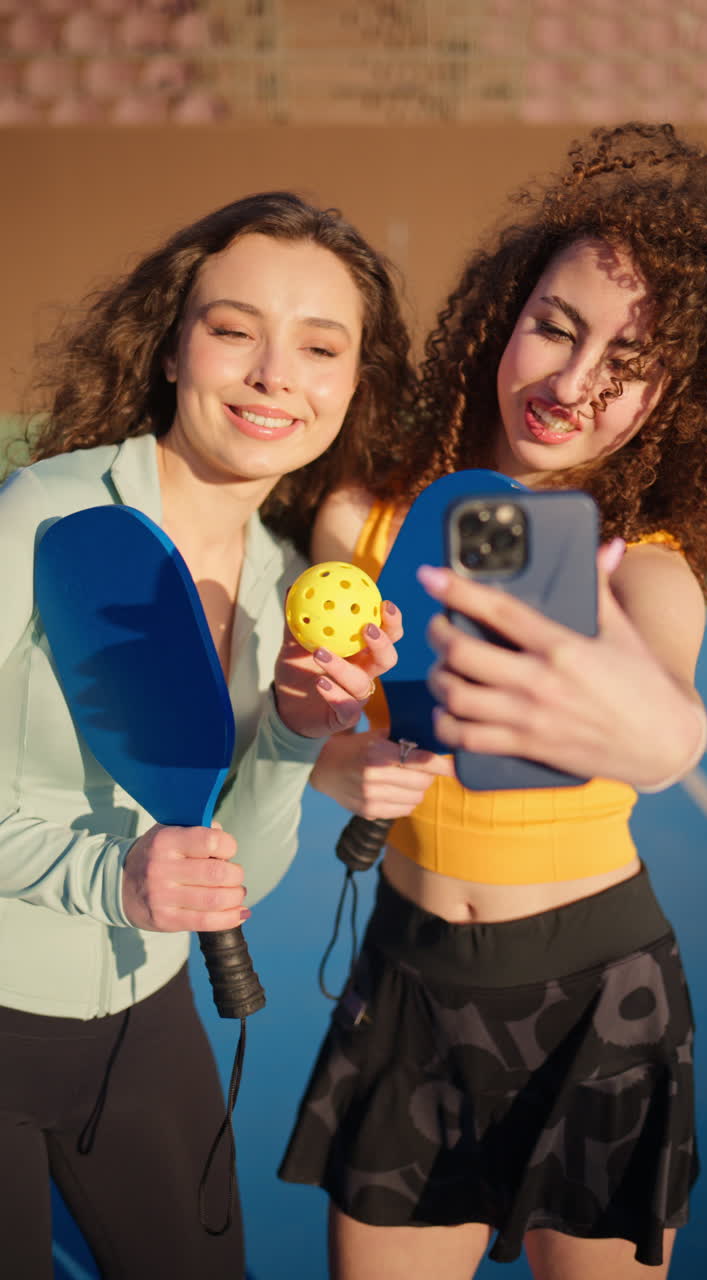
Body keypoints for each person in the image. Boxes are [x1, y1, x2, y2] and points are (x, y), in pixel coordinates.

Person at [278, 123, 707, 1279]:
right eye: (556, 328)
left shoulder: (650, 568)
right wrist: (340, 765)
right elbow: (313, 741)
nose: (575, 384)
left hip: (602, 998)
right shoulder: (358, 522)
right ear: (500, 317)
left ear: (671, 394)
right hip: (410, 981)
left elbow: (666, 716)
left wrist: (660, 728)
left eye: (628, 362)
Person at [0, 191, 414, 1279]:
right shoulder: (45, 514)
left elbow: (234, 871)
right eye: (234, 329)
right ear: (173, 348)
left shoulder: (283, 579)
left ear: (351, 384)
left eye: (319, 346)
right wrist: (110, 876)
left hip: (146, 1014)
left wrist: (286, 733)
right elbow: (134, 873)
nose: (277, 373)